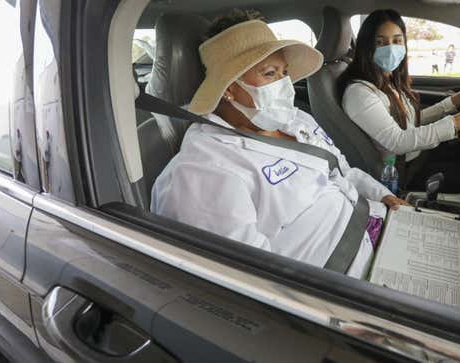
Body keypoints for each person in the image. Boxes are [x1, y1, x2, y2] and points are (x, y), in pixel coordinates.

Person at [151, 10, 408, 279]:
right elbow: (251, 280)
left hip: (376, 224)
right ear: (227, 86)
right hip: (348, 280)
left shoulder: (296, 119)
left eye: (284, 72)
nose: (285, 85)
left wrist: (382, 195)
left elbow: (341, 171)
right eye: (269, 73)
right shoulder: (202, 169)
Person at [340, 9, 460, 190]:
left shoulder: (386, 80)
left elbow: (410, 121)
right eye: (380, 42)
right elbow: (398, 141)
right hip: (402, 172)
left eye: (397, 40)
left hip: (417, 156)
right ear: (366, 46)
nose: (390, 48)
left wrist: (455, 101)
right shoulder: (360, 93)